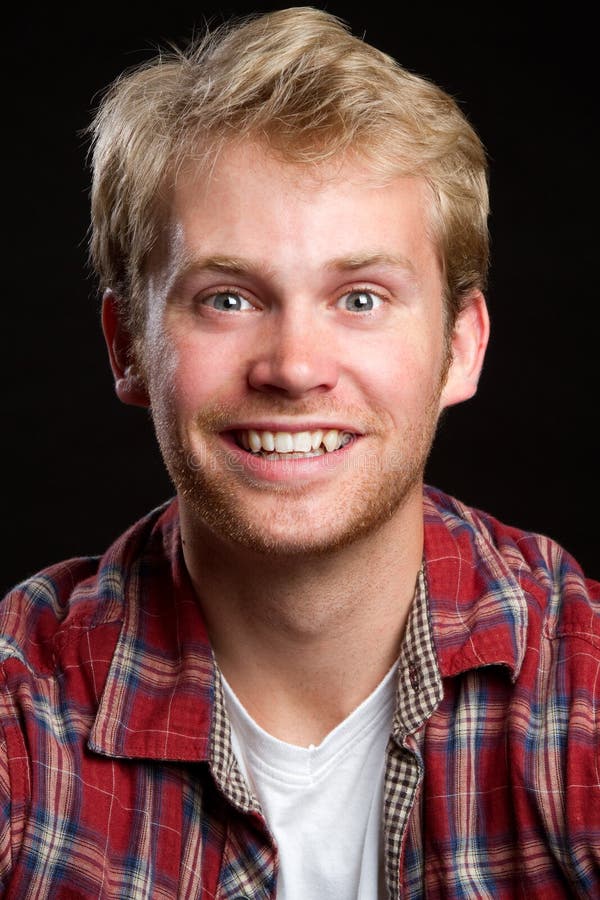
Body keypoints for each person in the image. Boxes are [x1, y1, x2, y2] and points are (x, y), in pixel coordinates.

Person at [1, 6, 598, 897]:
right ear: (126, 345)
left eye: (360, 298)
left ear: (462, 347)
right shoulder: (23, 706)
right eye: (228, 299)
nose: (294, 368)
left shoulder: (582, 687)